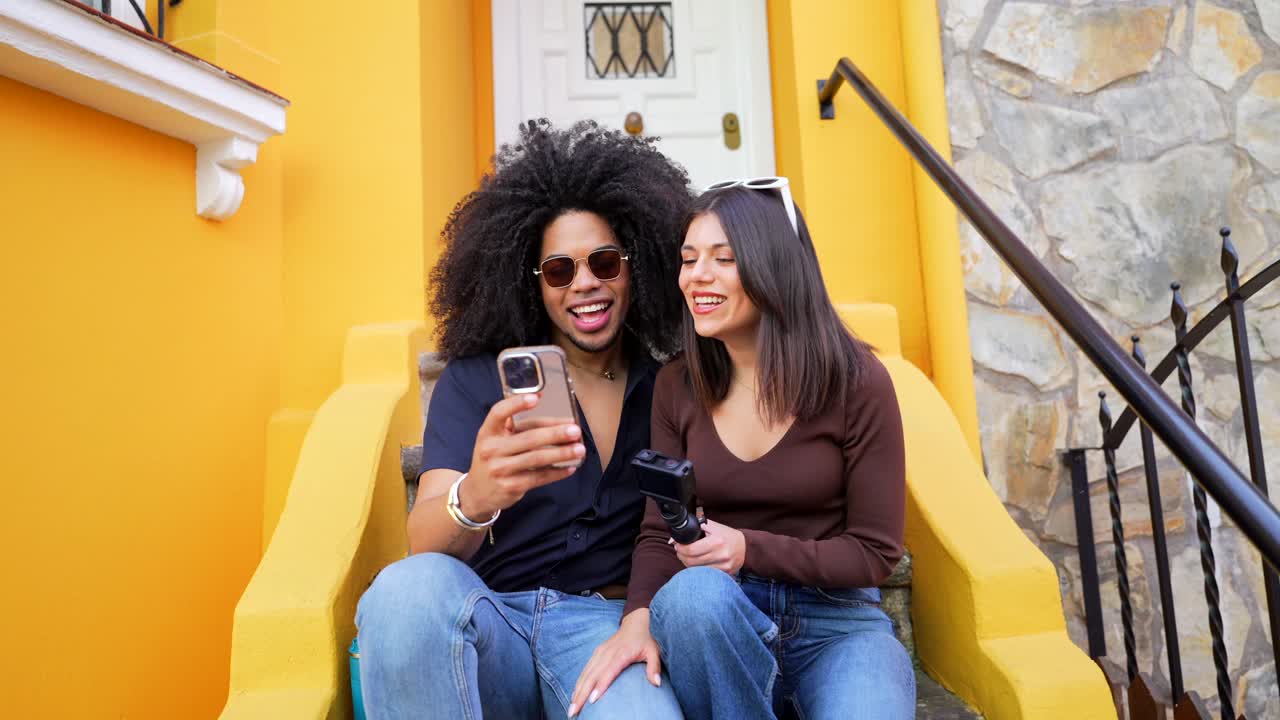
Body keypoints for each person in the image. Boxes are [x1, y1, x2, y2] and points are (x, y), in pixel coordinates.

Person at [355, 119, 691, 720]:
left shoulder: (668, 385)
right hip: (491, 622)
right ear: (532, 283)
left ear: (637, 268)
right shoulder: (479, 380)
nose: (585, 283)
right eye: (560, 270)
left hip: (604, 630)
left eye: (605, 262)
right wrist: (478, 494)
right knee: (404, 593)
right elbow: (425, 542)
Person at [572, 179, 915, 719]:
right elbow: (659, 531)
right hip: (718, 622)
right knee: (691, 597)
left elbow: (875, 553)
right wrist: (636, 619)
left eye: (723, 259)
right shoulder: (678, 386)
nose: (697, 277)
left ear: (773, 266)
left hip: (837, 624)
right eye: (688, 260)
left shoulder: (858, 381)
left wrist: (749, 548)